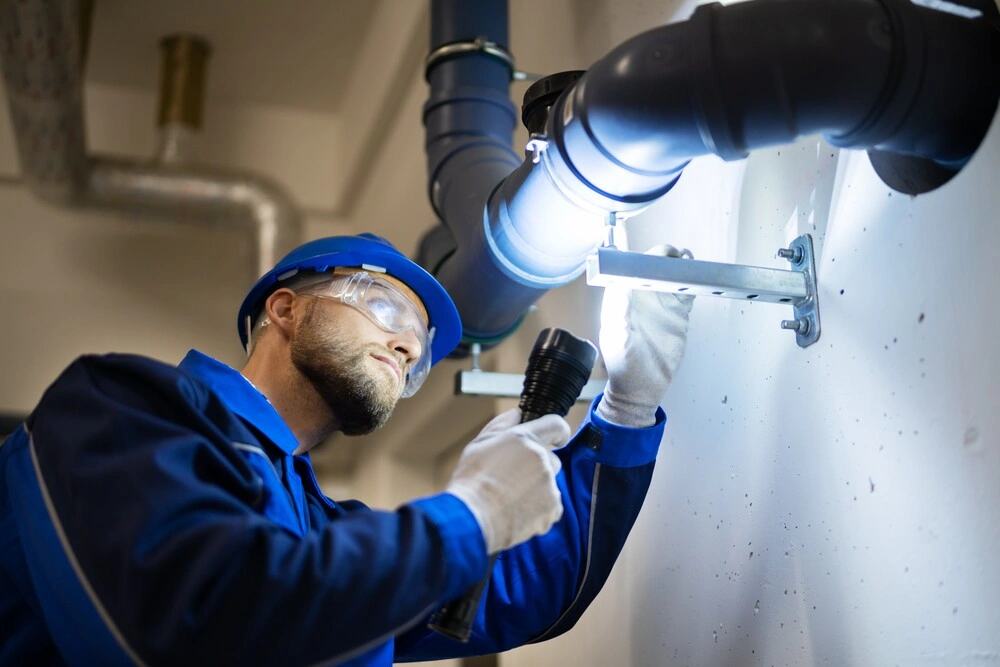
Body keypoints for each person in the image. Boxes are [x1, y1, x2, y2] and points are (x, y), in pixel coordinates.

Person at [0, 233, 693, 666]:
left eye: (418, 355)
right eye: (386, 309)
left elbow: (525, 591)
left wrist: (626, 406)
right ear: (285, 308)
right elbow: (193, 616)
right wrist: (469, 513)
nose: (407, 345)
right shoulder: (114, 408)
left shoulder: (317, 528)